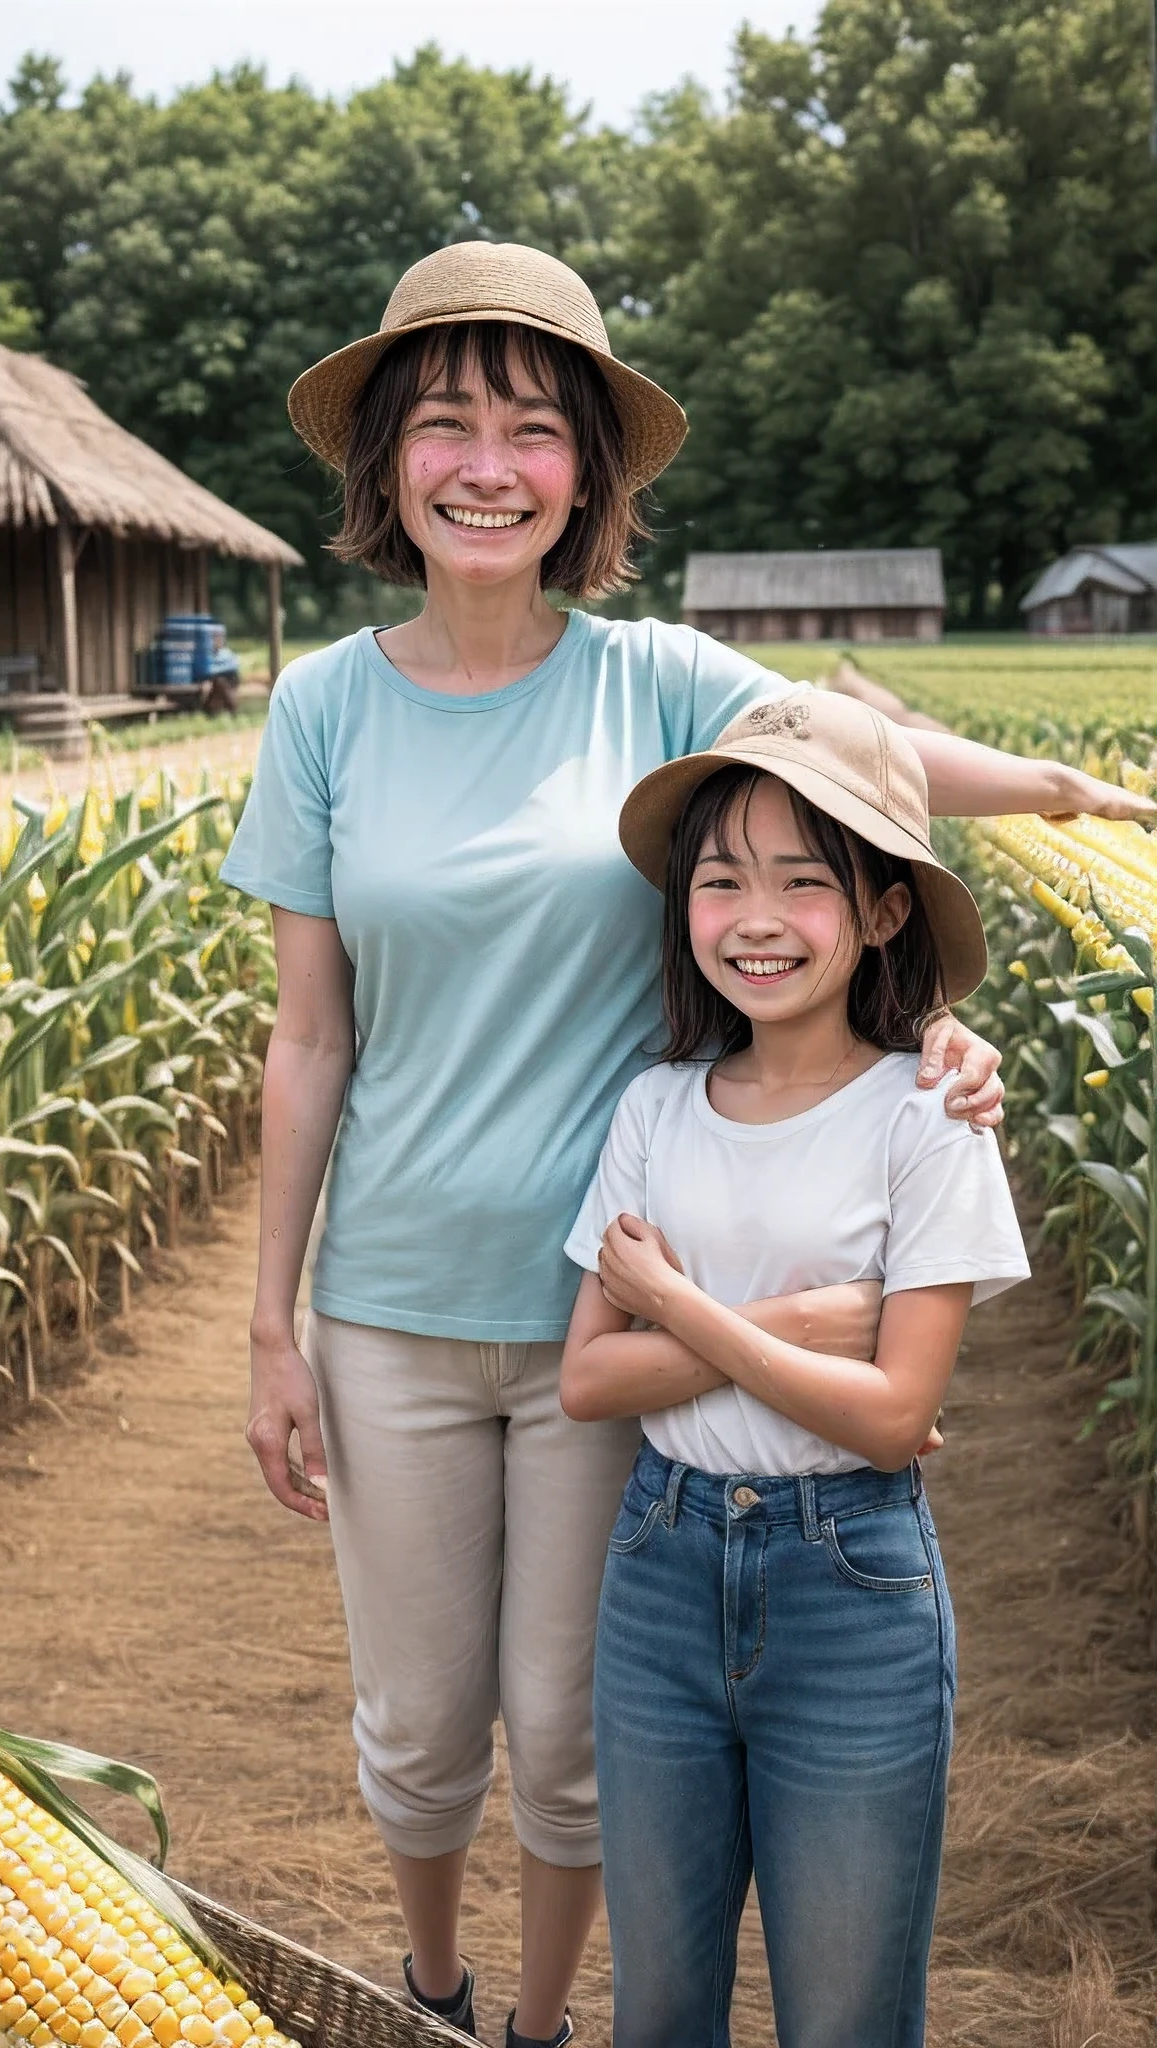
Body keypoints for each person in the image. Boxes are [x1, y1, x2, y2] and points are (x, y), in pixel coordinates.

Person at [219, 240, 1148, 2046]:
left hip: (624, 1312)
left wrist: (1046, 799)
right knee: (418, 1727)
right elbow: (309, 1036)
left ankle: (543, 2027)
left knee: (569, 1732)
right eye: (445, 424)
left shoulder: (648, 676)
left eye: (531, 429)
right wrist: (274, 1324)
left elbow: (857, 760)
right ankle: (432, 1988)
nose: (486, 463)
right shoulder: (322, 704)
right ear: (386, 464)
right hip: (393, 1304)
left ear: (587, 476)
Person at [560, 689, 1031, 2047]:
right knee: (658, 2011)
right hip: (659, 1569)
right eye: (719, 881)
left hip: (852, 1593)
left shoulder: (930, 1116)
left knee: (846, 2018)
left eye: (802, 884)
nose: (754, 920)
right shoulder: (654, 1107)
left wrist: (678, 1309)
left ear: (885, 911)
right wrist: (811, 1328)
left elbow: (893, 1422)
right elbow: (589, 1382)